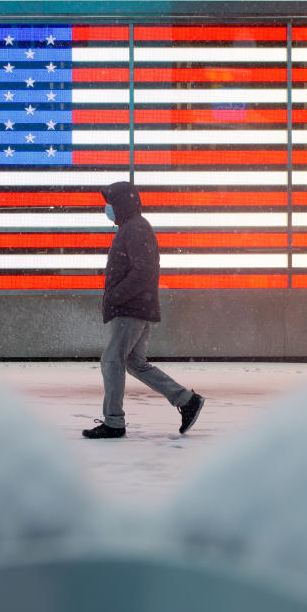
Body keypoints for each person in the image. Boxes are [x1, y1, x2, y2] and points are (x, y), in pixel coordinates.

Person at [83, 181, 204, 439]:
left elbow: (143, 272)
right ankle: (186, 400)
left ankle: (114, 422)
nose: (108, 209)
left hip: (131, 309)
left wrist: (115, 296)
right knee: (134, 363)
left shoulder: (136, 229)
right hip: (136, 306)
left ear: (122, 204)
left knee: (111, 360)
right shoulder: (132, 228)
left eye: (111, 203)